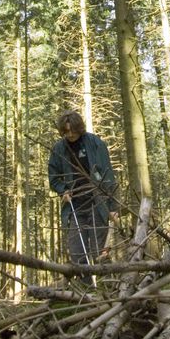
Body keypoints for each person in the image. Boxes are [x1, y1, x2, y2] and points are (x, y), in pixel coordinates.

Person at [47, 111, 119, 279]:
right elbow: (54, 177)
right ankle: (84, 292)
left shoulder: (95, 143)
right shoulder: (59, 149)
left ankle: (106, 286)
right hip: (74, 207)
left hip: (97, 203)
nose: (70, 134)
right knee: (77, 251)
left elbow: (108, 175)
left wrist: (112, 206)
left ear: (79, 128)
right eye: (66, 131)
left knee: (100, 250)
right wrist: (62, 190)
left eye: (73, 130)